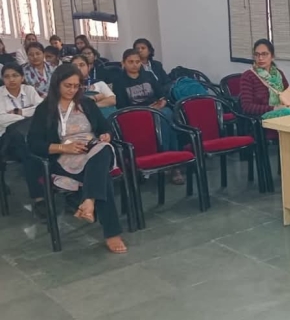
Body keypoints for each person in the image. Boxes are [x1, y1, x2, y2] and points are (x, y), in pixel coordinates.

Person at [27, 64, 127, 253]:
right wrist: (63, 147)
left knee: (104, 148)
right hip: (65, 156)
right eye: (68, 85)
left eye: (76, 86)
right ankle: (110, 231)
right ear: (57, 84)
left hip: (93, 149)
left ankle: (88, 201)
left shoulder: (86, 104)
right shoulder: (45, 109)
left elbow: (105, 127)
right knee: (102, 177)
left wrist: (106, 135)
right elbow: (34, 143)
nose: (72, 90)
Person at [113, 49, 184, 184]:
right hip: (135, 114)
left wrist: (161, 103)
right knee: (163, 117)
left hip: (155, 109)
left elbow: (161, 95)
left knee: (168, 115)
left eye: (137, 62)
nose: (134, 65)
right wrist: (146, 109)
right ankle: (166, 159)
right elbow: (122, 106)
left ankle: (172, 162)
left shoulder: (148, 76)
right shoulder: (119, 81)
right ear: (123, 63)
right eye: (130, 62)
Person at [0, 62, 45, 216]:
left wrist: (20, 112)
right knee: (28, 149)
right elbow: (1, 118)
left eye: (15, 75)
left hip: (29, 137)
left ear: (22, 77)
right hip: (7, 141)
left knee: (30, 153)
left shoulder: (29, 90)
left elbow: (41, 109)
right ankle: (39, 198)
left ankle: (43, 195)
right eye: (7, 76)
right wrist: (27, 117)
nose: (11, 79)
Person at [240, 39, 290, 118]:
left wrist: (284, 108)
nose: (260, 58)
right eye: (257, 54)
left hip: (283, 115)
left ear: (272, 56)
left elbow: (288, 95)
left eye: (264, 54)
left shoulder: (279, 74)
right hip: (260, 119)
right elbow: (247, 107)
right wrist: (274, 109)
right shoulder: (248, 76)